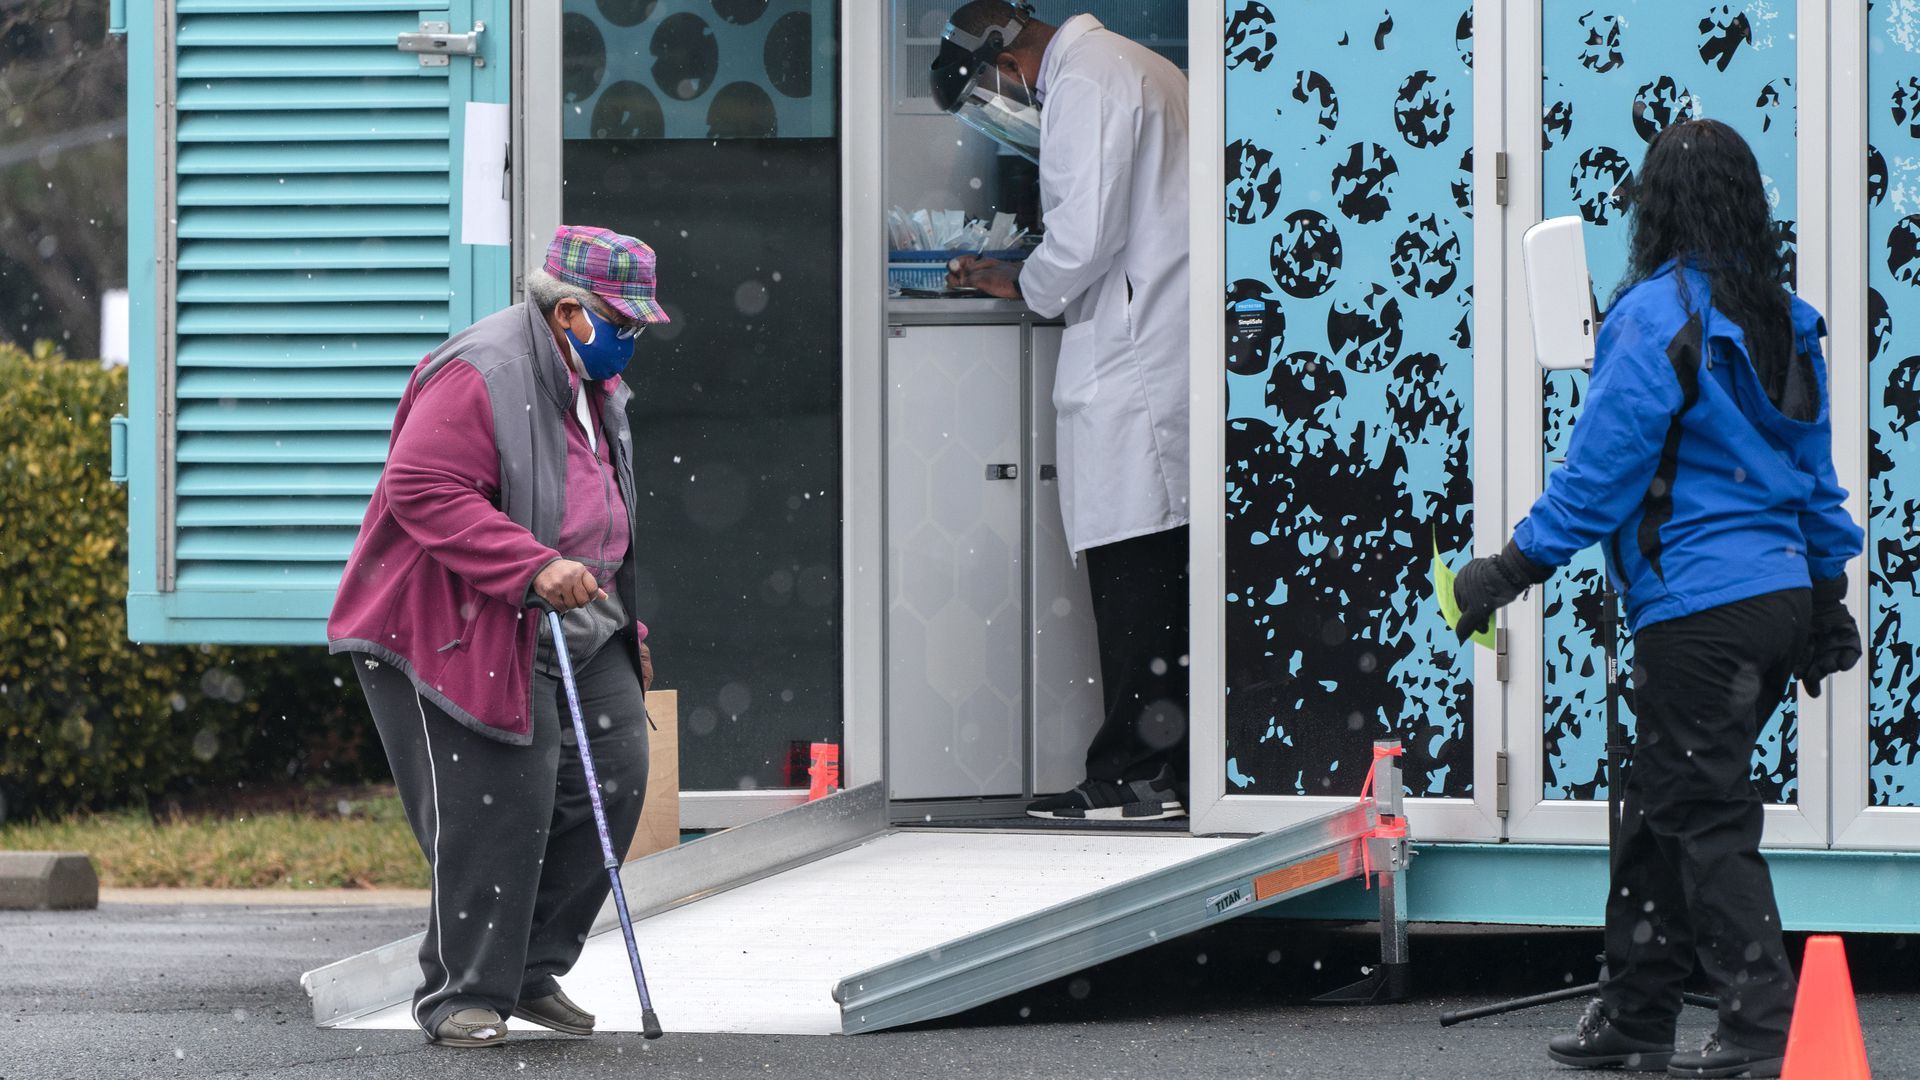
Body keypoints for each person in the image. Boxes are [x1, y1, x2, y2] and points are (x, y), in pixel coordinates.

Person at [1453, 120, 1863, 1078]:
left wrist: (1506, 569)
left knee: (1704, 812)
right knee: (1661, 801)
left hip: (1699, 611)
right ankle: (1635, 1015)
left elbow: (1603, 473)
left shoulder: (1653, 316)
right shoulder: (1785, 320)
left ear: (1656, 206)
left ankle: (1762, 1026)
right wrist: (1828, 590)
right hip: (1773, 605)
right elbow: (1813, 474)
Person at [327, 225, 669, 1047]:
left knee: (614, 781)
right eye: (618, 321)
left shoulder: (596, 387)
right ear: (568, 312)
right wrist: (528, 565)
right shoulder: (486, 370)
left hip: (572, 617)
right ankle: (461, 994)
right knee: (498, 808)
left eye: (635, 325)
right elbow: (420, 485)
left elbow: (599, 514)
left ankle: (526, 969)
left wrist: (629, 620)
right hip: (453, 622)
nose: (629, 337)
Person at [932, 2, 1192, 821]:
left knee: (1136, 576)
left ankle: (1134, 775)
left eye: (993, 84)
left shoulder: (1087, 80)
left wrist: (1019, 280)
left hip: (1136, 360)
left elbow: (1080, 239)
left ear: (1009, 54)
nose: (1008, 99)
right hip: (1157, 342)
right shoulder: (1139, 68)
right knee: (1157, 574)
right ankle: (1162, 768)